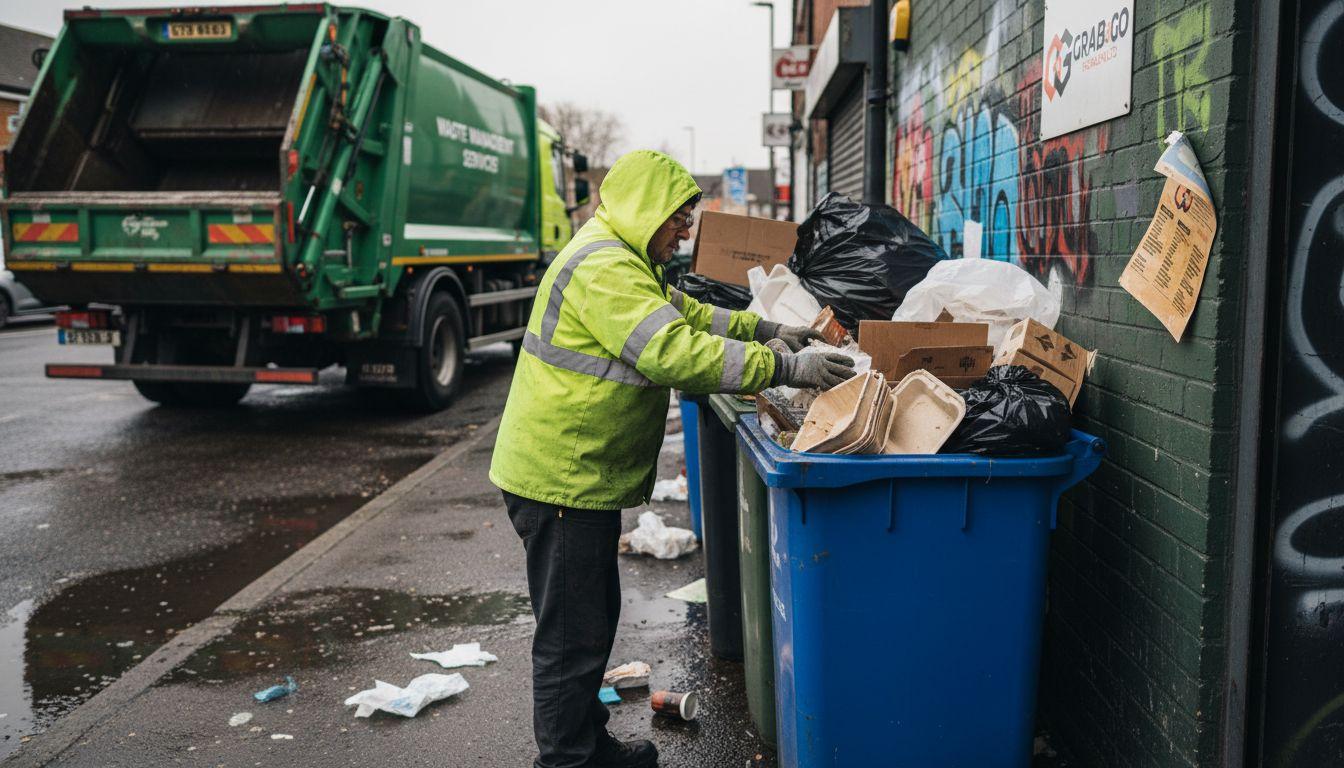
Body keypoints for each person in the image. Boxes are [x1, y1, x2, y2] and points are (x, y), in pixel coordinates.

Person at [490, 150, 854, 768]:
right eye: (679, 219)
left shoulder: (626, 259)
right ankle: (568, 761)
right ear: (645, 212)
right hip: (560, 478)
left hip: (577, 477)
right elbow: (670, 350)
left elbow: (685, 314)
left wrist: (762, 330)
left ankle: (588, 746)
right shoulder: (604, 268)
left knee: (592, 622)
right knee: (570, 637)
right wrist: (787, 366)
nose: (685, 231)